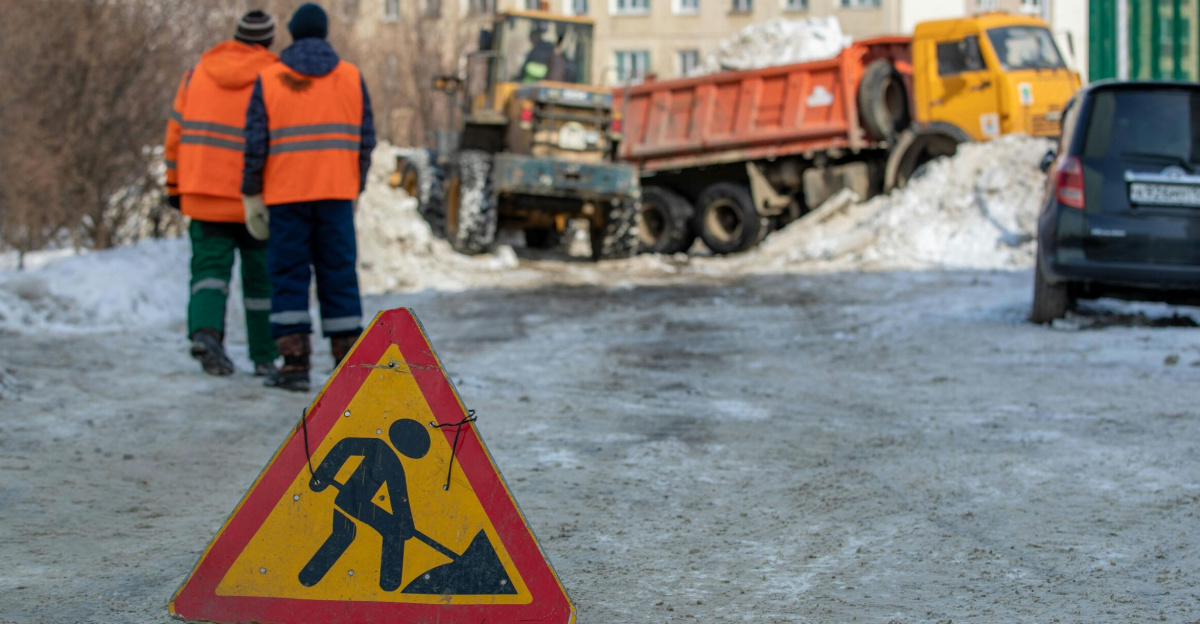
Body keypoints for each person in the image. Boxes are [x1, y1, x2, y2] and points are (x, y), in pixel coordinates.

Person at [241, 3, 376, 392]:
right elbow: (366, 140)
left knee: (288, 276)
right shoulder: (350, 77)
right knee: (339, 274)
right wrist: (356, 185)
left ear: (294, 33)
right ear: (325, 32)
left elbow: (255, 143)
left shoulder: (270, 79)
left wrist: (251, 191)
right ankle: (348, 366)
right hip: (336, 193)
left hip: (286, 196)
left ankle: (294, 364)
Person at [164, 11, 279, 377]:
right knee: (261, 279)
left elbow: (174, 134)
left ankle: (206, 334)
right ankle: (264, 356)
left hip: (204, 192)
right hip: (256, 199)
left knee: (209, 272)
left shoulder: (197, 74)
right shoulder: (275, 76)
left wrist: (173, 184)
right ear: (268, 42)